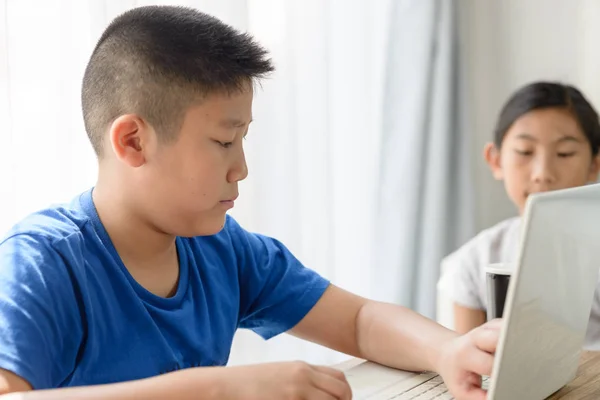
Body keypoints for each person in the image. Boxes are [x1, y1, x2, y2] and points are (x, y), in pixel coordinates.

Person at [0, 6, 500, 400]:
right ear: (133, 141)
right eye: (223, 141)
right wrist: (219, 388)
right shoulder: (41, 263)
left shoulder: (223, 249)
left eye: (244, 140)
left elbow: (358, 321)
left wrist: (449, 350)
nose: (241, 168)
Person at [437, 81, 600, 342]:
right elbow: (468, 363)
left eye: (564, 153)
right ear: (496, 159)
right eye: (525, 151)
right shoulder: (472, 262)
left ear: (594, 165)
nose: (542, 173)